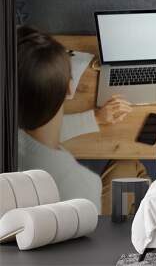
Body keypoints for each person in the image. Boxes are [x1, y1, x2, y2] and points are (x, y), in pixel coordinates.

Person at [17, 26, 148, 214]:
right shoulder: (81, 184)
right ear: (70, 88)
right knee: (132, 166)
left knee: (129, 162)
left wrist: (95, 118)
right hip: (92, 223)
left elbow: (32, 133)